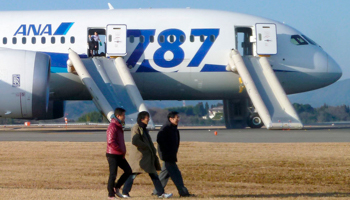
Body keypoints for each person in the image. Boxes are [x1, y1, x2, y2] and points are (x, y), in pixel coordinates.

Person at [122, 111, 173, 198]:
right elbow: (135, 141)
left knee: (153, 174)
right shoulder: (136, 128)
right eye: (147, 117)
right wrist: (146, 146)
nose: (148, 119)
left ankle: (161, 193)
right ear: (142, 119)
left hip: (146, 157)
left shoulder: (144, 128)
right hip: (139, 158)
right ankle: (125, 192)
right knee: (133, 174)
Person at [153, 111, 194, 197]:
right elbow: (160, 141)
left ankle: (156, 191)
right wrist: (166, 152)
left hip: (171, 156)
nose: (178, 119)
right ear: (170, 119)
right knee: (176, 175)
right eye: (176, 118)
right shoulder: (166, 128)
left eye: (178, 117)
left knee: (164, 174)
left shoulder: (173, 128)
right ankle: (183, 192)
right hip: (167, 156)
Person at [106, 108, 132, 199]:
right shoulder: (113, 126)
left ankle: (116, 188)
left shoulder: (118, 125)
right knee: (113, 174)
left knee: (128, 171)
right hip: (112, 154)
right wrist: (120, 150)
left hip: (119, 154)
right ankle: (111, 195)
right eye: (123, 115)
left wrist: (122, 152)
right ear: (118, 116)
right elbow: (111, 142)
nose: (124, 117)